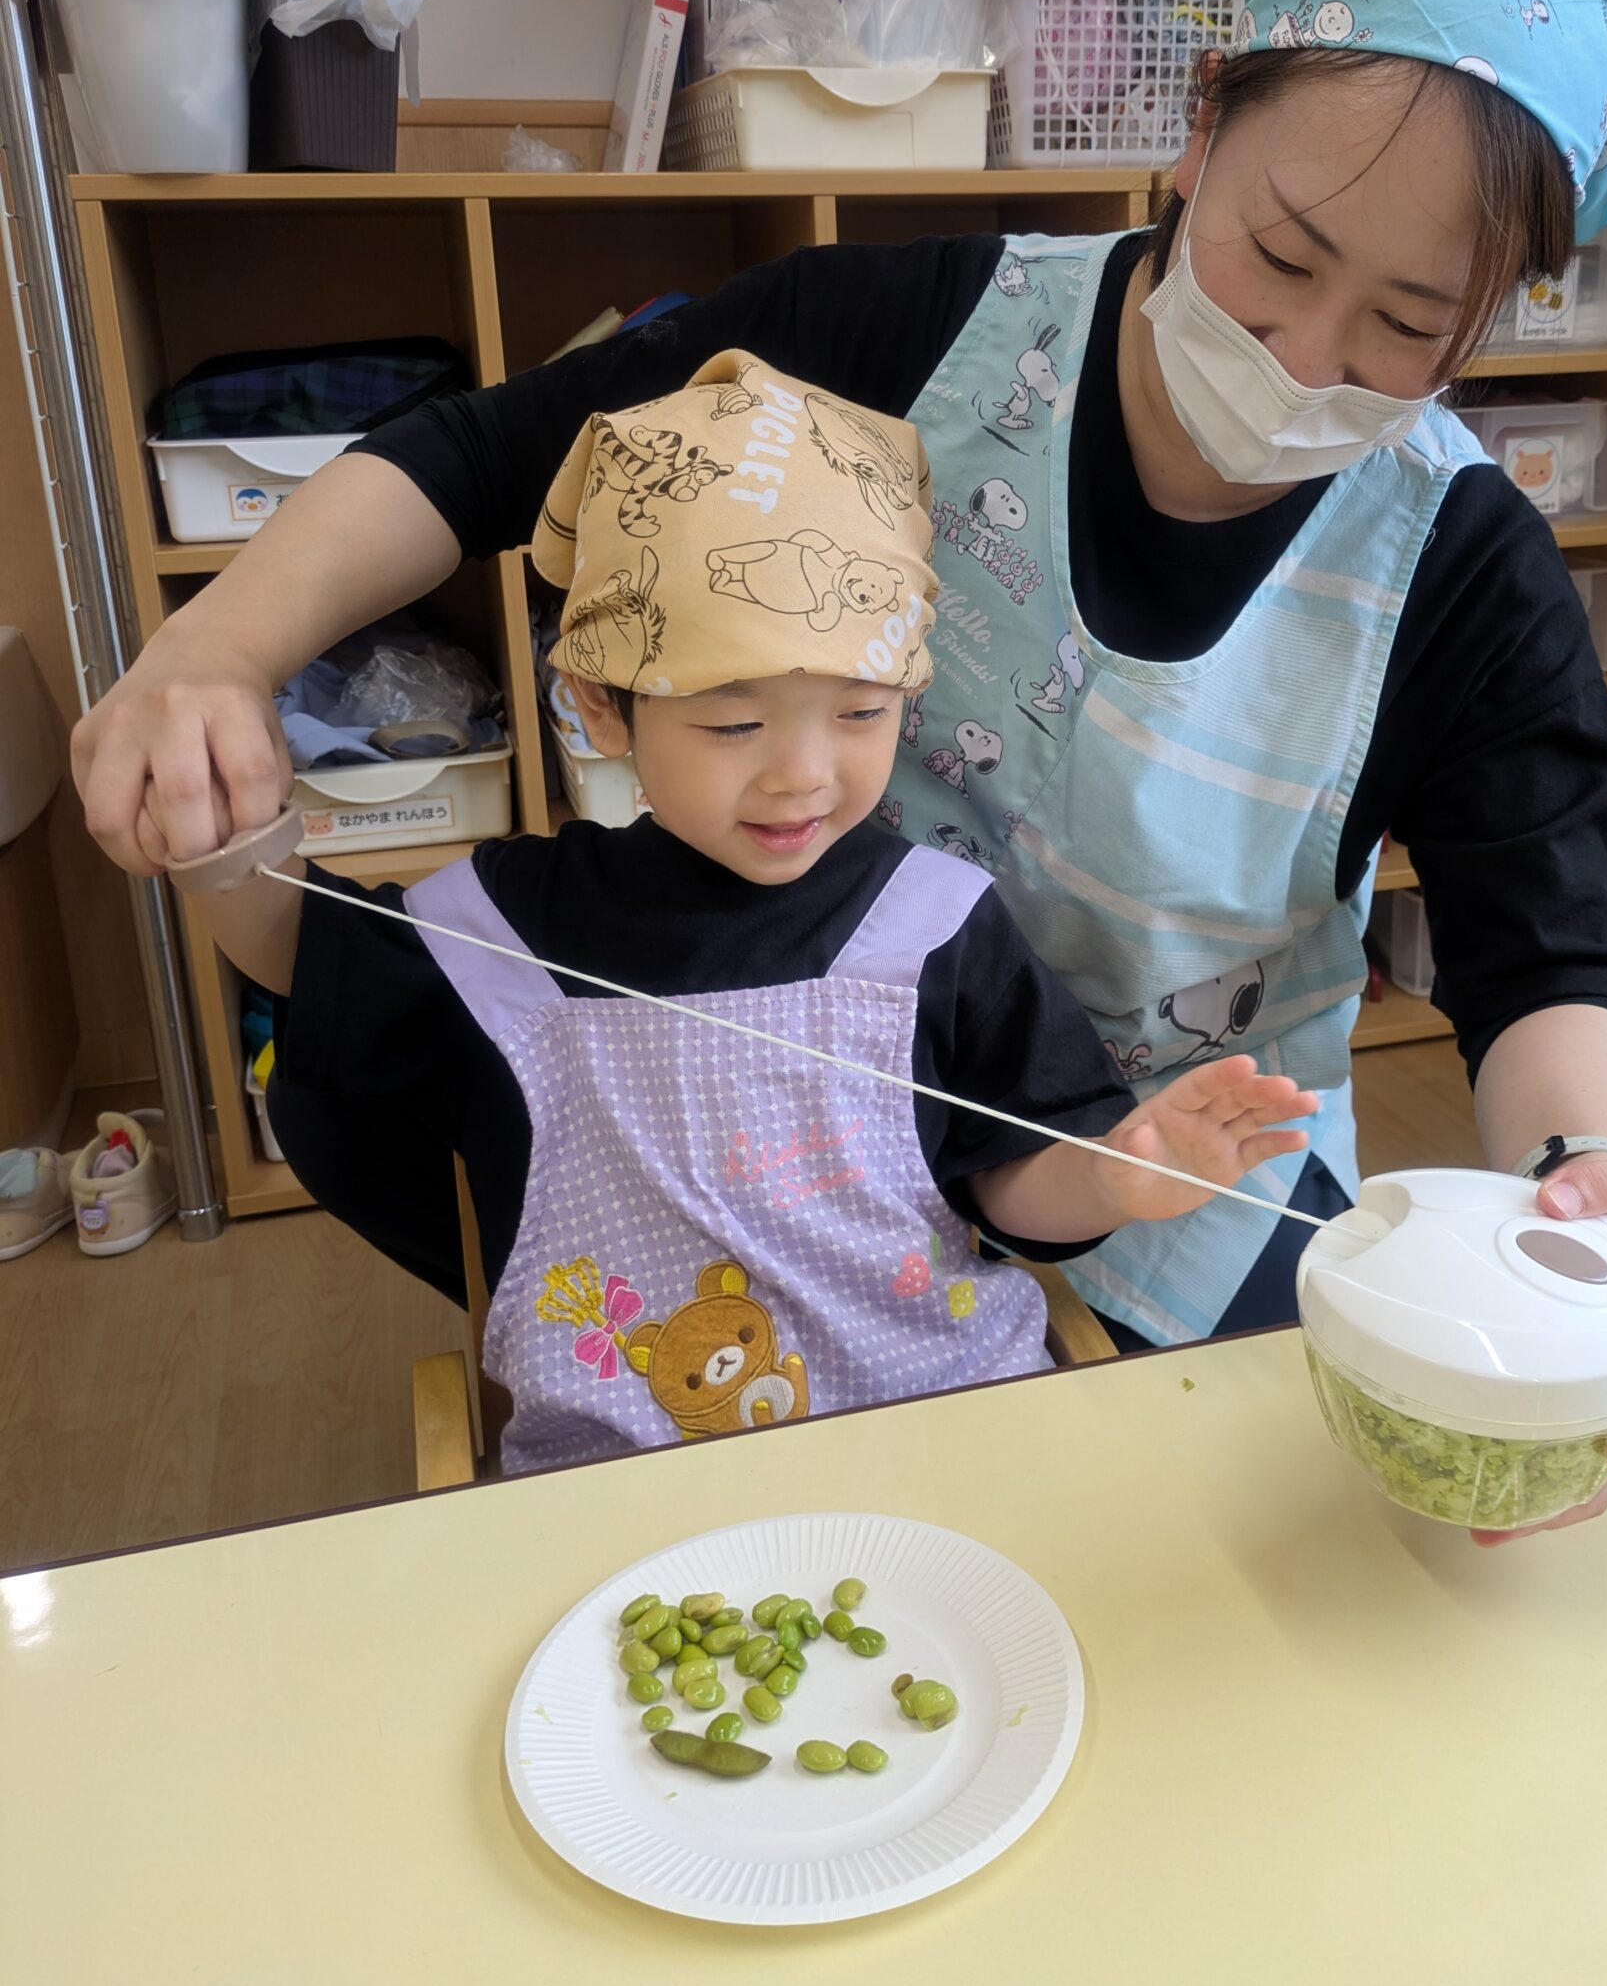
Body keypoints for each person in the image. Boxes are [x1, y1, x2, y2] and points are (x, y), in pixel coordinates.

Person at [78, 0, 1607, 1538]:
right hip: (816, 1139)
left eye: (1408, 327)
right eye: (1283, 260)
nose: (1308, 360)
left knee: (1242, 1553)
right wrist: (213, 652)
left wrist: (1583, 1187)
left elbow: (1549, 959)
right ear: (1200, 127)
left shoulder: (1460, 566)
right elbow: (487, 455)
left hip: (1176, 1170)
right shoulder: (914, 339)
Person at [180, 352, 1315, 1474]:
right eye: (733, 724)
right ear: (601, 706)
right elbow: (298, 951)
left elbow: (1010, 1180)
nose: (802, 776)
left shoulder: (934, 920)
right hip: (630, 1481)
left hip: (943, 1439)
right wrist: (212, 831)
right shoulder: (504, 931)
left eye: (861, 712)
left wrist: (1110, 1176)